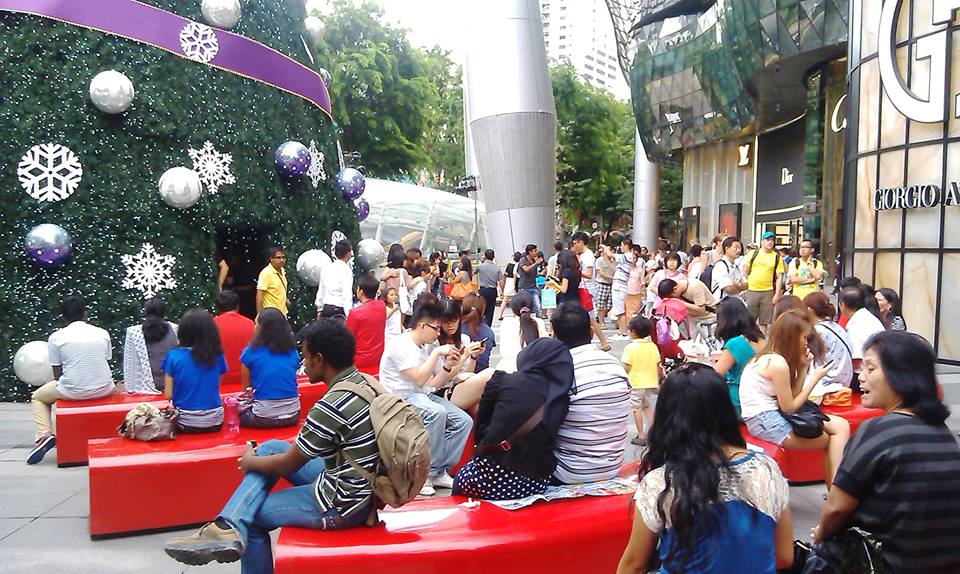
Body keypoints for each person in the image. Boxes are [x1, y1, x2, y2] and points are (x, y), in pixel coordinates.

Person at [164, 319, 380, 572]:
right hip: (361, 484)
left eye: (305, 356)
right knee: (271, 447)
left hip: (343, 504)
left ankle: (230, 526)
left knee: (251, 519)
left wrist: (250, 461)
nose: (303, 363)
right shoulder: (364, 383)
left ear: (319, 359)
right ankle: (226, 526)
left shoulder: (331, 405)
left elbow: (290, 463)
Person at [617, 364, 793, 574]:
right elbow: (784, 556)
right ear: (725, 411)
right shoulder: (766, 469)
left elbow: (634, 565)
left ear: (667, 419)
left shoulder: (661, 483)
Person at [812, 331, 960, 574]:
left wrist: (821, 533)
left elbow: (836, 507)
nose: (861, 376)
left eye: (870, 368)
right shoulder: (944, 435)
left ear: (901, 375)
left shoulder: (878, 430)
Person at [453, 338, 575, 500]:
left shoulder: (502, 380)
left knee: (461, 478)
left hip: (492, 476)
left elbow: (480, 428)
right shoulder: (561, 397)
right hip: (537, 482)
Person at [739, 310, 850, 487]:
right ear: (792, 337)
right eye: (804, 337)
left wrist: (804, 368)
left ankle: (835, 491)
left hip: (768, 415)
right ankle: (837, 490)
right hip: (764, 421)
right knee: (830, 439)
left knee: (841, 425)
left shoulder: (770, 357)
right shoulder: (777, 363)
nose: (806, 343)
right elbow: (789, 407)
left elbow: (792, 397)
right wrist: (815, 378)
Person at [378, 302, 473, 496]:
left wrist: (448, 366)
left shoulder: (423, 346)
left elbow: (432, 384)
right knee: (436, 412)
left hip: (421, 395)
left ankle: (439, 471)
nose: (438, 333)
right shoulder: (401, 345)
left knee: (463, 421)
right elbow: (420, 378)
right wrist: (438, 352)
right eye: (436, 328)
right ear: (422, 326)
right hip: (398, 398)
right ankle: (425, 475)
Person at [28, 295, 115, 465]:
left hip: (73, 390)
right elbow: (105, 359)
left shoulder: (56, 337)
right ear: (85, 313)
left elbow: (57, 373)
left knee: (37, 397)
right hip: (105, 388)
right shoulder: (102, 333)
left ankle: (44, 434)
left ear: (63, 317)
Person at [550, 303, 631, 484]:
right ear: (591, 332)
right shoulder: (615, 366)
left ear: (554, 335)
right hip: (612, 467)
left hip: (567, 471)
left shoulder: (560, 369)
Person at [163, 309, 228, 434]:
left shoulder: (173, 356)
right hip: (215, 421)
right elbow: (217, 384)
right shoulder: (217, 355)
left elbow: (168, 395)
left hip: (185, 422)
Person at [239, 309, 300, 428]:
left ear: (262, 329)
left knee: (238, 411)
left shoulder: (250, 352)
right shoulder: (292, 352)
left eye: (256, 323)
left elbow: (246, 390)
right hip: (293, 415)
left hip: (262, 418)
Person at [433, 299, 493, 416]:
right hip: (442, 392)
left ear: (459, 319)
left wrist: (473, 357)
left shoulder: (464, 339)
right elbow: (442, 379)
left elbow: (466, 374)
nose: (450, 325)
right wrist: (464, 356)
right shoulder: (435, 344)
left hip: (460, 387)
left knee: (483, 407)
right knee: (490, 373)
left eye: (454, 320)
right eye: (446, 321)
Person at [713, 297, 765, 418]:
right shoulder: (762, 338)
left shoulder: (735, 344)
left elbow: (715, 375)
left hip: (739, 401)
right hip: (760, 397)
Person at [122, 297, 178, 395]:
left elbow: (130, 364)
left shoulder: (133, 332)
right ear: (164, 312)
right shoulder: (175, 328)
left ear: (146, 312)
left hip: (145, 384)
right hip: (173, 383)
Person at [621, 316, 660, 447]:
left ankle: (641, 435)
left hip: (636, 383)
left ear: (633, 331)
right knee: (646, 406)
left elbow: (627, 366)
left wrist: (622, 377)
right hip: (650, 382)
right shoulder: (652, 346)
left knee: (636, 409)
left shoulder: (630, 348)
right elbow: (657, 364)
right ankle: (655, 432)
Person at [803, 292, 855, 388]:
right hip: (845, 379)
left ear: (809, 310)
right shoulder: (835, 326)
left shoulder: (818, 331)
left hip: (829, 381)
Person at [571, 231, 610, 352]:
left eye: (575, 243)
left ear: (581, 242)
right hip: (585, 289)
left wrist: (576, 271)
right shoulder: (584, 255)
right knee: (587, 318)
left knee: (590, 318)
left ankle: (603, 342)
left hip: (587, 290)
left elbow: (588, 274)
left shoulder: (587, 256)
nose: (574, 246)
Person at [838, 287, 885, 380]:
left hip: (867, 373)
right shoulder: (864, 317)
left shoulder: (858, 323)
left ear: (842, 304)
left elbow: (857, 359)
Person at [344, 274, 386, 376]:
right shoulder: (382, 306)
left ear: (361, 291)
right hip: (378, 357)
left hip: (359, 360)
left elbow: (347, 339)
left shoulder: (355, 313)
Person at [742, 232, 785, 332]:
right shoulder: (753, 254)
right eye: (767, 240)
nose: (770, 242)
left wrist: (777, 294)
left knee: (764, 321)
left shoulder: (776, 257)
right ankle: (749, 338)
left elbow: (779, 277)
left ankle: (761, 339)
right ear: (762, 241)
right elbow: (745, 271)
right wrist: (746, 285)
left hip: (768, 291)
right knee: (749, 319)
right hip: (752, 290)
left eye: (772, 240)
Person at [496, 291, 548, 372]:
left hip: (507, 370)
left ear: (513, 309)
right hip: (535, 370)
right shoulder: (539, 322)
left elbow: (504, 352)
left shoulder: (506, 323)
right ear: (531, 308)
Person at [213, 290, 255, 387]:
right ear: (238, 306)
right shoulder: (250, 325)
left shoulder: (210, 325)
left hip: (218, 384)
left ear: (218, 308)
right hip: (248, 384)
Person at [315, 239, 354, 319]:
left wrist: (319, 309)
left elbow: (321, 290)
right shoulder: (346, 270)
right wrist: (349, 315)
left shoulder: (326, 268)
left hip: (326, 308)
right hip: (339, 310)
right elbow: (347, 295)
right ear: (348, 253)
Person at [461, 293, 495, 372]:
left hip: (454, 372)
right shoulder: (488, 332)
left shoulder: (454, 327)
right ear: (483, 310)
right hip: (480, 374)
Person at [256, 246, 288, 316]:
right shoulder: (266, 273)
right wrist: (259, 315)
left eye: (283, 257)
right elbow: (259, 295)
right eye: (278, 258)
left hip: (282, 313)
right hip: (271, 315)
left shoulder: (282, 270)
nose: (281, 260)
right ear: (271, 259)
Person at [380, 243, 411, 316]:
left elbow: (382, 280)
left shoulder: (389, 269)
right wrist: (414, 279)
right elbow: (408, 286)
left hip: (388, 297)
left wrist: (389, 275)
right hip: (399, 297)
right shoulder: (403, 271)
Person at [515, 244, 543, 316]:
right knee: (524, 308)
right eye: (535, 251)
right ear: (530, 252)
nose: (537, 252)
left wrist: (541, 273)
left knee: (538, 306)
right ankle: (524, 320)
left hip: (533, 287)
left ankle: (538, 320)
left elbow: (534, 274)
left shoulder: (534, 260)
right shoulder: (523, 260)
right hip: (524, 288)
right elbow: (526, 269)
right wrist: (536, 263)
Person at [476, 249, 500, 326]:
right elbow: (501, 280)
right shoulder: (497, 268)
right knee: (490, 310)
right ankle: (488, 326)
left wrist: (482, 261)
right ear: (493, 257)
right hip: (493, 291)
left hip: (483, 290)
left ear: (485, 256)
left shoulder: (480, 266)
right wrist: (502, 291)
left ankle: (480, 325)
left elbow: (473, 272)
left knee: (481, 309)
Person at [496, 251, 522, 321]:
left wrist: (502, 287)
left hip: (508, 282)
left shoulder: (509, 265)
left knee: (505, 300)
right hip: (515, 282)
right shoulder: (519, 265)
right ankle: (515, 315)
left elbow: (505, 274)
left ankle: (500, 315)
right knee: (515, 301)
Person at [624, 244, 646, 321]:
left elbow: (642, 281)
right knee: (626, 309)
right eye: (631, 258)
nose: (633, 260)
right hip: (626, 292)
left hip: (636, 292)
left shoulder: (639, 269)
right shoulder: (625, 268)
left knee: (635, 310)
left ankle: (632, 323)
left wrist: (643, 292)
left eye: (634, 258)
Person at [594, 247, 615, 328]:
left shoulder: (614, 261)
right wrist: (612, 277)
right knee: (600, 305)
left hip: (611, 285)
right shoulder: (599, 260)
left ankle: (600, 316)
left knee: (610, 305)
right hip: (601, 284)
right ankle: (601, 322)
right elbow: (600, 272)